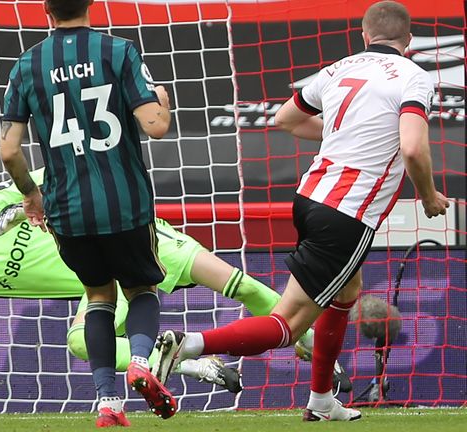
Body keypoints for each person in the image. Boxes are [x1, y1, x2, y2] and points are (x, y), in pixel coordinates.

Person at [0, 171, 325, 412]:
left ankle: (311, 349)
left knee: (243, 285)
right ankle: (185, 363)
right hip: (99, 287)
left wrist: (25, 202)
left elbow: (57, 173)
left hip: (140, 242)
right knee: (78, 343)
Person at [153, 0, 449, 422]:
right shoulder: (414, 76)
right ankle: (188, 346)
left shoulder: (340, 67)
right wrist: (429, 196)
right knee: (288, 323)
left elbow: (286, 118)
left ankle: (322, 400)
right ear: (410, 42)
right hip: (347, 212)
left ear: (364, 36)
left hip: (310, 197)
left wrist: (342, 136)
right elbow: (414, 147)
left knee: (345, 295)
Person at [0, 0, 174, 426]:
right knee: (141, 290)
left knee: (98, 295)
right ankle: (139, 362)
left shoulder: (27, 64)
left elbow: (8, 150)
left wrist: (31, 194)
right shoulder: (119, 51)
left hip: (67, 209)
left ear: (46, 10)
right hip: (125, 204)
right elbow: (156, 126)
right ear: (91, 4)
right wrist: (163, 100)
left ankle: (107, 403)